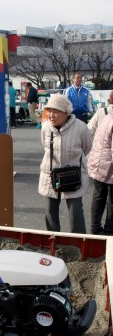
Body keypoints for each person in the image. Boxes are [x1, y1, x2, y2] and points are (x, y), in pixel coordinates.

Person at [38, 94, 92, 234]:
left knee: (76, 212)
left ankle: (78, 243)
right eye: (49, 111)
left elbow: (87, 147)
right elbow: (45, 146)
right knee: (50, 211)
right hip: (50, 174)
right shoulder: (45, 127)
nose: (51, 115)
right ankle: (53, 241)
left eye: (55, 111)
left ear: (66, 112)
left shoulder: (80, 127)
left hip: (72, 174)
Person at [87, 111, 113, 235]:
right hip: (109, 164)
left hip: (99, 162)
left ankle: (95, 228)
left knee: (98, 195)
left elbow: (90, 131)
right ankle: (109, 230)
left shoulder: (107, 115)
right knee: (111, 199)